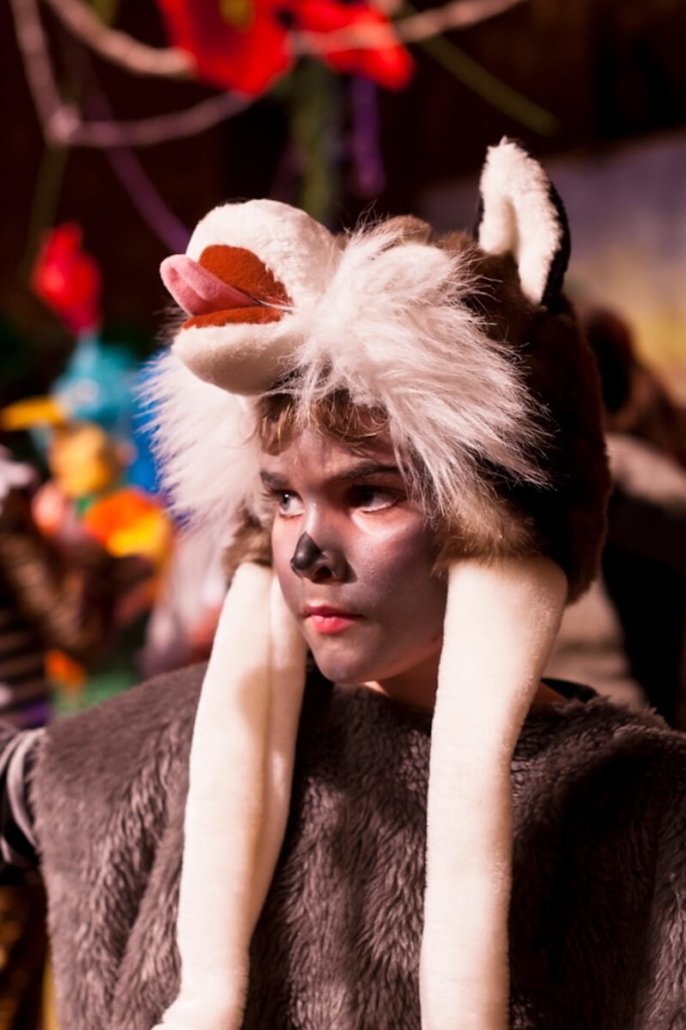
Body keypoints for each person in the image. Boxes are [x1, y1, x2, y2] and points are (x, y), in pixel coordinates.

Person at [1, 140, 686, 1030]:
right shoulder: (177, 741)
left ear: (499, 515)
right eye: (283, 498)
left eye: (369, 494)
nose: (307, 552)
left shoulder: (643, 810)